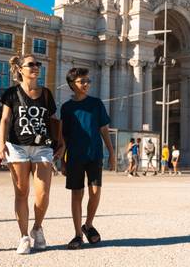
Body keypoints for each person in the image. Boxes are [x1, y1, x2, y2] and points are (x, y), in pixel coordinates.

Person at [0, 54, 64, 255]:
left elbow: (53, 120)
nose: (36, 67)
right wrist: (1, 143)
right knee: (21, 192)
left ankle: (37, 227)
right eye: (31, 65)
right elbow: (5, 120)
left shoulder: (46, 93)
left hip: (43, 146)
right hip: (17, 146)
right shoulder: (11, 93)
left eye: (38, 64)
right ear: (20, 69)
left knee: (43, 194)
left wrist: (60, 143)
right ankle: (24, 236)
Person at [60, 67, 115, 250]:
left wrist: (112, 153)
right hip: (75, 156)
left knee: (95, 192)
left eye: (87, 81)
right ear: (71, 84)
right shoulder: (67, 108)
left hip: (94, 154)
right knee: (77, 194)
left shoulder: (96, 103)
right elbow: (64, 137)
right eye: (82, 81)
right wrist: (63, 160)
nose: (86, 84)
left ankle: (88, 225)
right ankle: (77, 234)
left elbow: (104, 130)